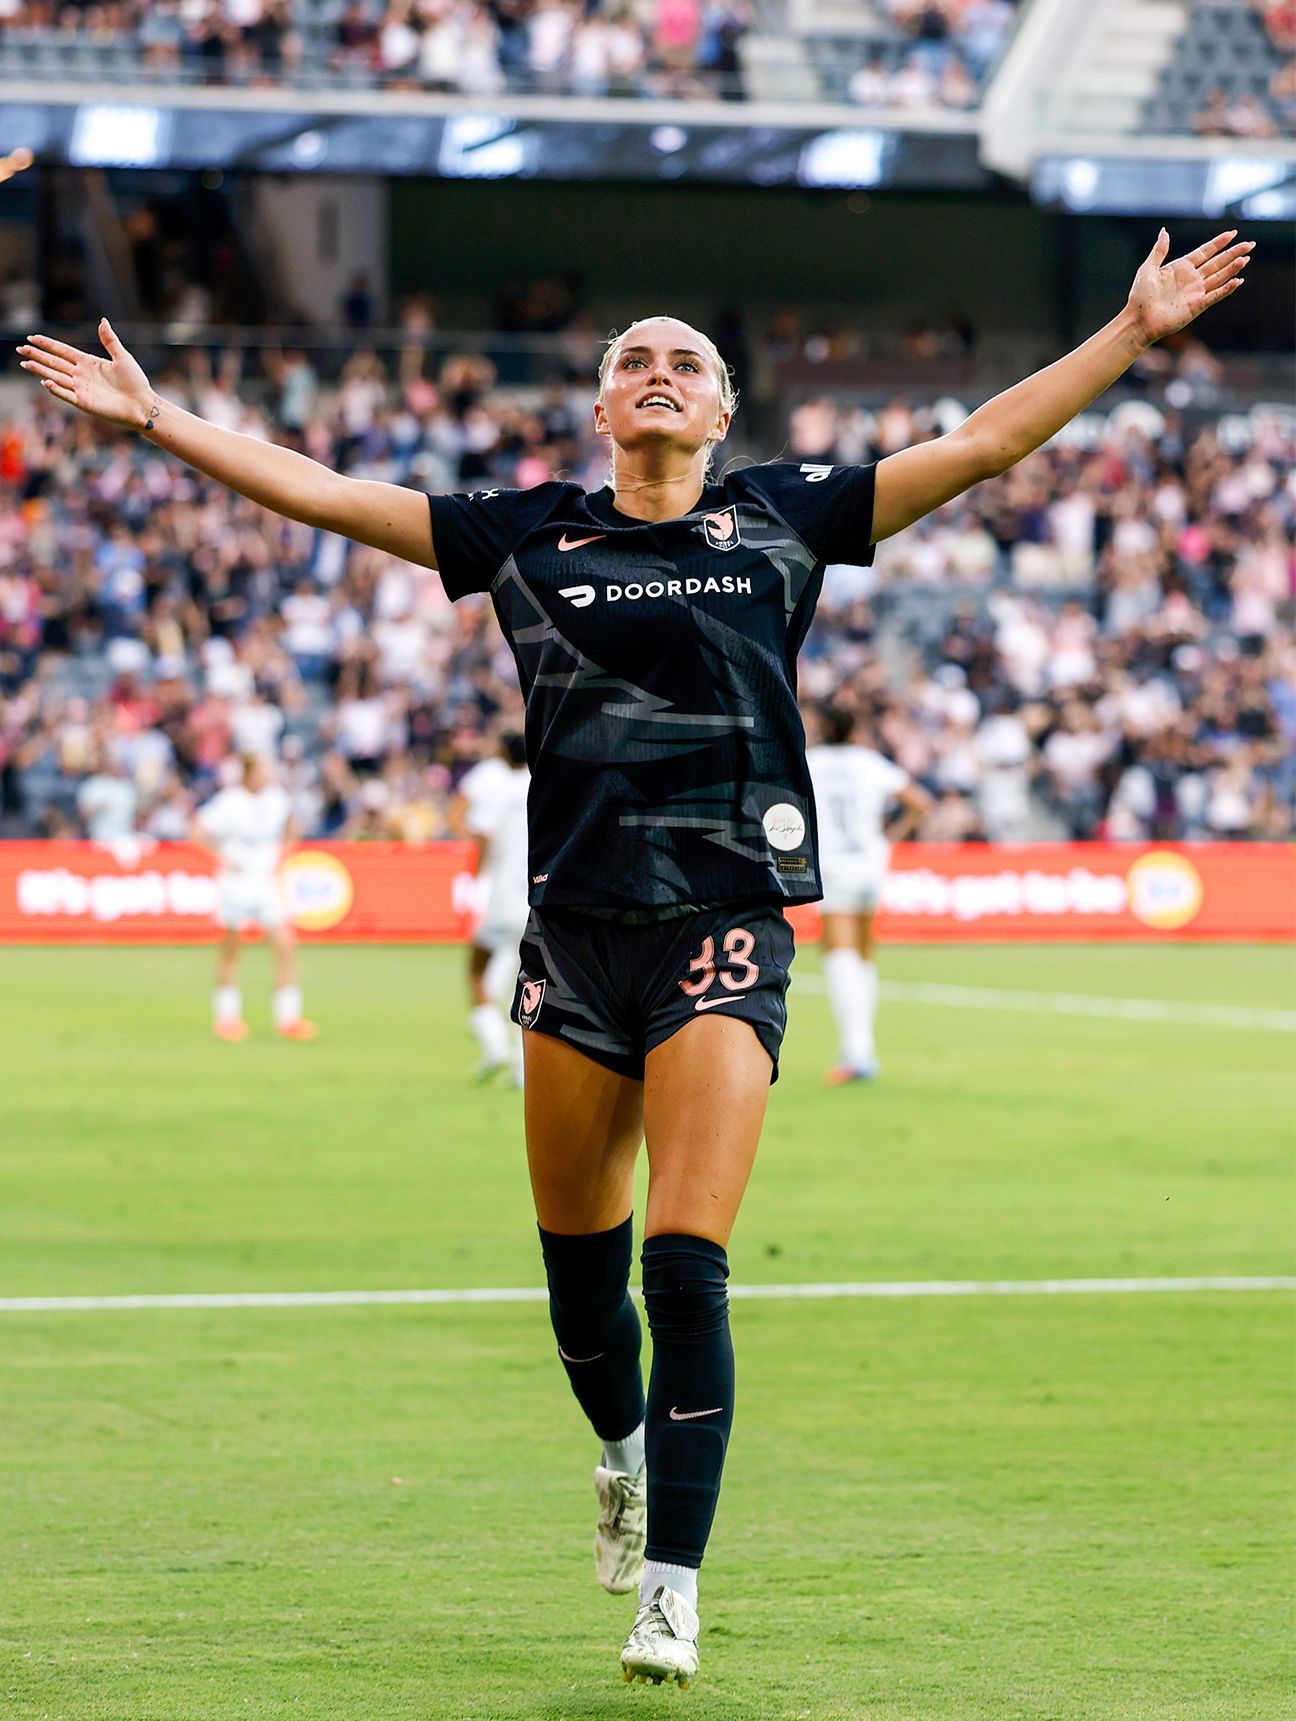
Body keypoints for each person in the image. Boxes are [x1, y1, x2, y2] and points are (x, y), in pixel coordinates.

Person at [17, 225, 1251, 1686]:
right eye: (635, 361)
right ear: (603, 406)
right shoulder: (526, 532)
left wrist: (1131, 332)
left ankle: (672, 1586)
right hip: (575, 934)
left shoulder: (784, 516)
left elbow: (981, 445)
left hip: (724, 923)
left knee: (685, 1262)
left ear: (722, 411)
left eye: (688, 363)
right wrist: (160, 421)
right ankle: (620, 1450)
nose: (660, 373)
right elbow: (330, 493)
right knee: (581, 1287)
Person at [806, 708, 932, 1083]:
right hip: (871, 863)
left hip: (833, 866)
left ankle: (857, 1050)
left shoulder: (811, 762)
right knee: (863, 951)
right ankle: (863, 1046)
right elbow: (920, 802)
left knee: (838, 953)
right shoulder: (869, 762)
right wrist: (890, 838)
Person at [191, 753, 316, 1042]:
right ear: (248, 773)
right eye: (262, 770)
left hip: (265, 884)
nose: (267, 775)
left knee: (285, 945)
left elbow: (292, 826)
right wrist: (222, 857)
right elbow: (197, 831)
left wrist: (285, 852)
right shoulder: (229, 801)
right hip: (236, 884)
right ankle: (226, 1019)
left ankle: (288, 1019)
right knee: (232, 949)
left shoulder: (276, 798)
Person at [459, 730, 531, 1085]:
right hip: (537, 899)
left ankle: (495, 1043)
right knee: (530, 982)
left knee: (477, 970)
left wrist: (472, 879)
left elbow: (481, 836)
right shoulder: (540, 785)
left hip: (503, 898)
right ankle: (523, 1066)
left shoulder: (496, 789)